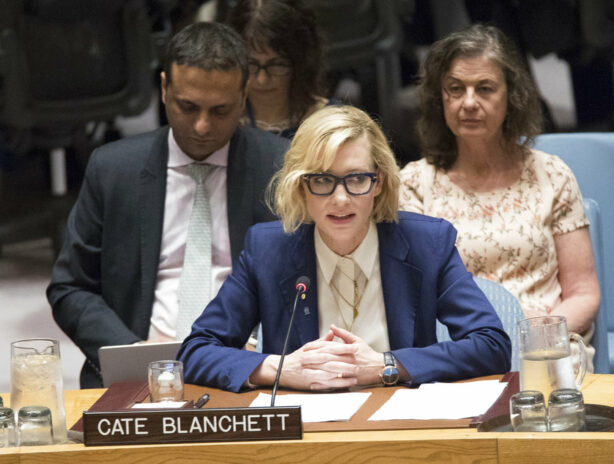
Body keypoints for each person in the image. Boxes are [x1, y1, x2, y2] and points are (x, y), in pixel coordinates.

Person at [178, 105, 511, 392]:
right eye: (322, 180)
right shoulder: (268, 251)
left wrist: (388, 365)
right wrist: (282, 369)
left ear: (378, 182)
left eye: (356, 179)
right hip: (306, 434)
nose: (340, 199)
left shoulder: (427, 244)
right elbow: (195, 351)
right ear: (301, 185)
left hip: (403, 424)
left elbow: (491, 344)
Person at [46, 22, 288, 388]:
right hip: (138, 369)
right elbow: (71, 287)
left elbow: (307, 280)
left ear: (243, 98)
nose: (202, 126)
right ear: (163, 89)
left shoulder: (282, 168)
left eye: (220, 111)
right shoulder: (113, 170)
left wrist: (263, 343)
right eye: (187, 107)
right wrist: (132, 348)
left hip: (250, 365)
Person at [399, 25, 600, 369]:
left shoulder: (551, 174)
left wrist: (534, 334)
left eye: (485, 88)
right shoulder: (415, 184)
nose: (469, 102)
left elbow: (583, 293)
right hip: (457, 352)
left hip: (544, 347)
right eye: (455, 89)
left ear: (512, 95)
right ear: (440, 98)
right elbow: (414, 300)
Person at [220, 0, 332, 139]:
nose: (262, 80)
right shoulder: (217, 121)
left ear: (301, 62)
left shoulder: (331, 125)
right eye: (251, 64)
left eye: (277, 65)